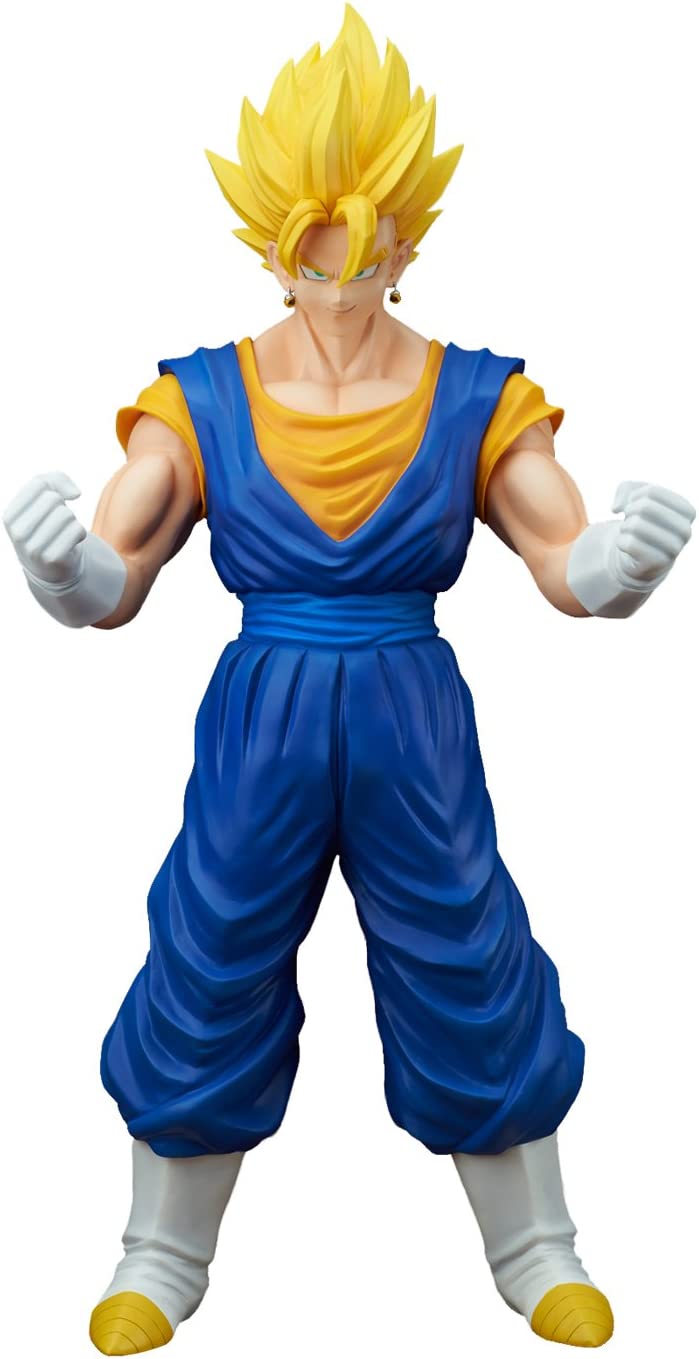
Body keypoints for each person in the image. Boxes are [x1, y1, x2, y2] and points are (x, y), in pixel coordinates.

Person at [3, 6, 694, 1354]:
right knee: (212, 944)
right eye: (311, 245)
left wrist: (619, 565)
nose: (336, 278)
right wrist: (57, 570)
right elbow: (114, 577)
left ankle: (536, 1243)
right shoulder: (201, 396)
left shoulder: (476, 394)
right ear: (270, 244)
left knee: (465, 945)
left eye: (364, 244)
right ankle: (160, 1250)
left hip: (406, 710)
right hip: (262, 711)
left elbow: (565, 558)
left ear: (405, 240)